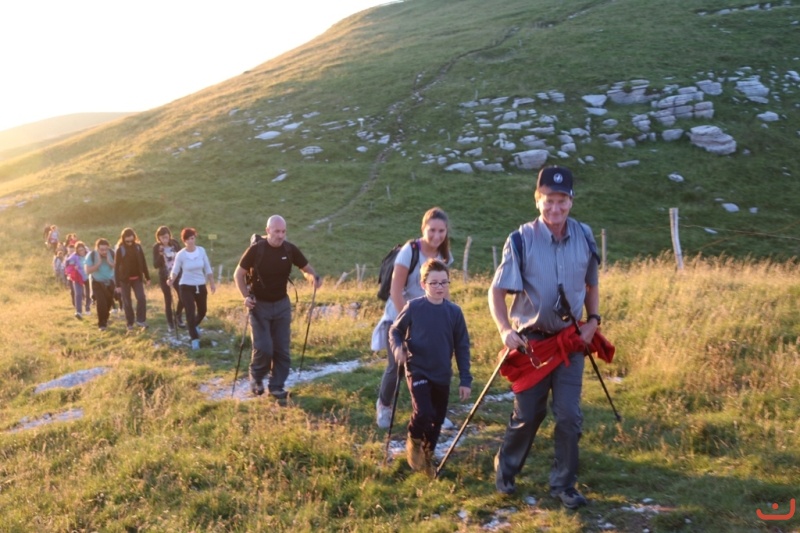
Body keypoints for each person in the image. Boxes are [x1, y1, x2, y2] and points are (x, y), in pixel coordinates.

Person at [488, 166, 600, 509]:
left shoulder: (585, 236)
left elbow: (591, 285)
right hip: (532, 344)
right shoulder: (520, 239)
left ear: (571, 201)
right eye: (549, 200)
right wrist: (505, 330)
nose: (556, 207)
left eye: (562, 200)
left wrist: (593, 322)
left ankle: (564, 485)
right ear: (537, 200)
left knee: (568, 416)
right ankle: (506, 470)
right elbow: (496, 292)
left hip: (570, 342)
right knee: (528, 415)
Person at [372, 207, 454, 429]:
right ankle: (384, 405)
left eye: (441, 231)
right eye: (432, 230)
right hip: (398, 317)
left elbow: (443, 289)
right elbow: (395, 291)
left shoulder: (444, 255)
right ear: (423, 228)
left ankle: (433, 412)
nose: (437, 236)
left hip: (429, 319)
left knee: (433, 366)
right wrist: (407, 324)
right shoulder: (410, 251)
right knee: (397, 367)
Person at [390, 259, 472, 477]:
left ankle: (427, 458)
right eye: (434, 283)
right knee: (424, 411)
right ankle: (414, 439)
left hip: (442, 373)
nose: (439, 287)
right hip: (417, 368)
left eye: (444, 282)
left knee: (437, 420)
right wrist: (398, 348)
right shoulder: (414, 307)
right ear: (423, 284)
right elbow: (395, 331)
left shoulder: (454, 312)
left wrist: (465, 379)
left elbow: (462, 347)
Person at [233, 215, 322, 399]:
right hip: (259, 305)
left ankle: (276, 386)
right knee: (264, 347)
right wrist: (246, 297)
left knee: (282, 348)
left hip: (282, 305)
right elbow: (238, 274)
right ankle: (257, 378)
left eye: (283, 231)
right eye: (276, 231)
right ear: (268, 231)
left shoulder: (289, 249)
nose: (280, 235)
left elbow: (306, 269)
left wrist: (312, 278)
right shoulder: (256, 250)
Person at [168, 228, 216, 350]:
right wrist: (171, 279)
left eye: (192, 238)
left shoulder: (201, 251)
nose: (191, 241)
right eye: (188, 239)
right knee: (190, 311)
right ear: (184, 241)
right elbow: (175, 270)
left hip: (200, 285)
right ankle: (194, 339)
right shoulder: (181, 255)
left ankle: (192, 326)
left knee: (203, 311)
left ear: (195, 238)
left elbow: (207, 267)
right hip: (185, 286)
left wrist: (212, 283)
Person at [114, 227, 151, 330]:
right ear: (123, 239)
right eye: (127, 241)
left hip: (137, 278)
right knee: (127, 302)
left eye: (132, 240)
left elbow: (143, 262)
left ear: (134, 238)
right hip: (124, 280)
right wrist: (117, 285)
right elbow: (116, 268)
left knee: (141, 298)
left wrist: (147, 277)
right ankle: (130, 323)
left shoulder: (138, 248)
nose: (130, 243)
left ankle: (141, 320)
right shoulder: (120, 250)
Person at [153, 226, 185, 331]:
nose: (165, 239)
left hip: (176, 274)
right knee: (168, 299)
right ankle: (170, 324)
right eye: (162, 237)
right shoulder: (156, 247)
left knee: (182, 296)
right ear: (159, 238)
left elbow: (182, 256)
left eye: (166, 237)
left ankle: (178, 316)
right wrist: (160, 255)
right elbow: (155, 265)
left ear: (169, 236)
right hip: (164, 276)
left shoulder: (175, 244)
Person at [84, 238, 116, 331]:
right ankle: (101, 324)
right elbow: (87, 271)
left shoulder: (112, 254)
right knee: (101, 303)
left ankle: (105, 320)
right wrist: (98, 264)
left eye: (106, 249)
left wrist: (110, 263)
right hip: (97, 282)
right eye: (102, 250)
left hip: (110, 282)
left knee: (108, 304)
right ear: (97, 248)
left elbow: (119, 267)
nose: (104, 252)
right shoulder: (91, 255)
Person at [65, 241, 89, 319]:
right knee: (78, 293)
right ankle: (78, 311)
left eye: (82, 250)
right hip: (78, 277)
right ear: (76, 251)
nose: (81, 252)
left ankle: (87, 308)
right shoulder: (73, 257)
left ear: (85, 249)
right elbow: (68, 265)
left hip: (88, 276)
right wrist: (73, 268)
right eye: (79, 251)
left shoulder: (89, 255)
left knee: (88, 294)